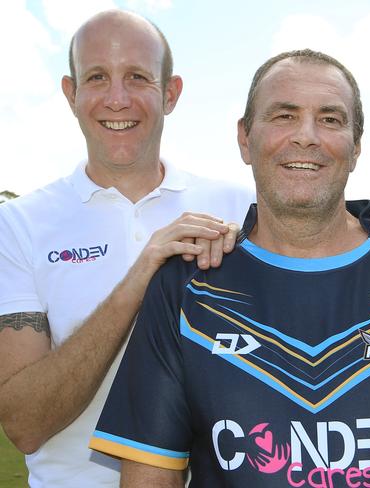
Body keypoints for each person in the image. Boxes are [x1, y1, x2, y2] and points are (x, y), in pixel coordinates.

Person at [89, 48, 370, 488]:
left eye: (331, 119)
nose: (306, 136)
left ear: (356, 147)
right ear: (245, 139)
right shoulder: (186, 284)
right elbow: (152, 475)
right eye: (284, 116)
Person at [0, 10, 252, 487]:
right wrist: (139, 279)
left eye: (137, 77)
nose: (118, 99)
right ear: (71, 95)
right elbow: (25, 425)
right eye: (97, 77)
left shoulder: (240, 207)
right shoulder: (17, 225)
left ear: (171, 93)